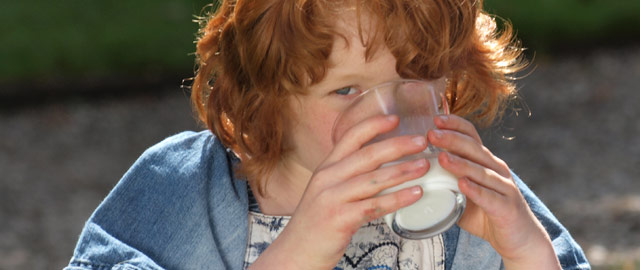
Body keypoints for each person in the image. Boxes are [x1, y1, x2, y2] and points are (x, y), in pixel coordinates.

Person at [66, 0, 589, 269]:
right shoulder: (185, 190)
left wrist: (526, 252)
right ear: (267, 97)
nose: (388, 118)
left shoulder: (472, 198)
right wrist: (302, 248)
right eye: (346, 91)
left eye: (414, 80)